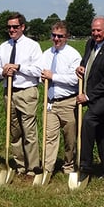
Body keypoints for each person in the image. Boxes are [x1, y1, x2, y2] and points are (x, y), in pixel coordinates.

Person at [0, 12, 43, 177]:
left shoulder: (32, 46)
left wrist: (19, 67)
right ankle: (20, 165)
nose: (12, 30)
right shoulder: (3, 47)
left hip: (27, 91)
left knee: (29, 131)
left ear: (22, 27)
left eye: (15, 26)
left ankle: (33, 166)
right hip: (9, 92)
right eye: (9, 27)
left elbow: (38, 70)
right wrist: (3, 71)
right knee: (14, 132)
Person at [76, 15, 104, 179]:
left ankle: (85, 164)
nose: (95, 33)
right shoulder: (90, 44)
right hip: (94, 94)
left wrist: (87, 96)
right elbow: (86, 62)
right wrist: (81, 68)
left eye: (99, 30)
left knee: (89, 120)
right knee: (102, 132)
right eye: (93, 30)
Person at [40, 21, 81, 175]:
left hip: (68, 102)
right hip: (50, 102)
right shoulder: (46, 54)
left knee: (70, 139)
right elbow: (40, 74)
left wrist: (53, 76)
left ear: (66, 37)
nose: (56, 39)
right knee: (49, 136)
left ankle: (69, 165)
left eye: (60, 36)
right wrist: (42, 77)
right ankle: (47, 168)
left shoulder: (73, 55)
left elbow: (74, 79)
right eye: (54, 35)